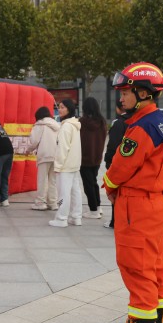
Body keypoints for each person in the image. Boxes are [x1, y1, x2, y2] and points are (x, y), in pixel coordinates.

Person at [102, 62, 163, 323]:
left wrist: (109, 186)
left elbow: (120, 168)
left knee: (136, 268)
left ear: (143, 93)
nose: (121, 97)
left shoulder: (141, 127)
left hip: (138, 206)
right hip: (158, 202)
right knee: (156, 264)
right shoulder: (162, 123)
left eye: (125, 92)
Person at [48, 99, 83, 227]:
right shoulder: (75, 124)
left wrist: (58, 165)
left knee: (63, 193)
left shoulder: (66, 126)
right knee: (75, 191)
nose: (59, 109)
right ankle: (76, 217)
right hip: (74, 164)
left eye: (62, 107)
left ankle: (61, 218)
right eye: (59, 107)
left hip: (65, 165)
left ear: (69, 109)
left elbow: (62, 148)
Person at [103, 99, 131, 229]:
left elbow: (113, 145)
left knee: (115, 193)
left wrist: (108, 161)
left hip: (118, 164)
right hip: (131, 165)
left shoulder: (119, 123)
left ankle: (115, 221)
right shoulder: (138, 121)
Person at [26, 106, 60, 211]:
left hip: (44, 155)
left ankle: (40, 203)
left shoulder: (39, 125)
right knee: (53, 181)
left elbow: (34, 141)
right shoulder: (56, 125)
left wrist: (28, 150)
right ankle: (53, 203)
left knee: (42, 180)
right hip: (56, 155)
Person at [79, 97, 107, 219]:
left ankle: (93, 210)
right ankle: (98, 207)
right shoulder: (102, 122)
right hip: (97, 158)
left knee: (88, 185)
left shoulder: (82, 122)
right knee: (94, 183)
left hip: (84, 158)